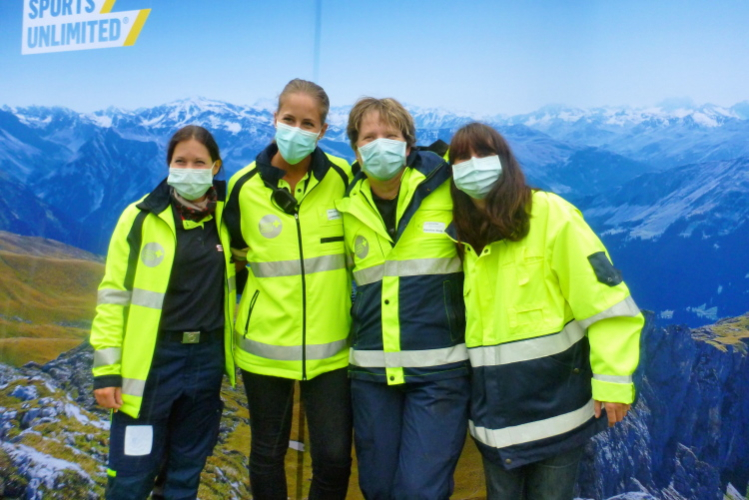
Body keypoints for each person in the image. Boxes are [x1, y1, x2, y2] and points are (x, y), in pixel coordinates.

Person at [447, 122, 643, 500]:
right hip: (495, 424)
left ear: (505, 161)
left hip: (556, 414)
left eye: (483, 153)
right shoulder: (461, 234)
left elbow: (605, 301)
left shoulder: (551, 214)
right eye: (461, 157)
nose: (473, 164)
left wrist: (614, 380)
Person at [90, 125, 237, 499]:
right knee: (132, 475)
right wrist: (106, 370)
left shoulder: (228, 218)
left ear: (216, 167)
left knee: (185, 474)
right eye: (180, 161)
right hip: (152, 363)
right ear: (168, 165)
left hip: (206, 361)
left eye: (199, 162)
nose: (189, 170)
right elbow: (113, 296)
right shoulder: (140, 217)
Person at [224, 79, 353, 500]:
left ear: (323, 130)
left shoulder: (344, 178)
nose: (297, 130)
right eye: (289, 119)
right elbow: (234, 259)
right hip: (264, 347)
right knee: (267, 452)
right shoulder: (243, 187)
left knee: (334, 457)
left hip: (332, 349)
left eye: (308, 123)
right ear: (274, 119)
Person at [336, 97, 470, 500]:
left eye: (390, 135)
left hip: (439, 372)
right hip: (372, 375)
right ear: (356, 150)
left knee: (420, 490)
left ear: (409, 145)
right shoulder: (345, 205)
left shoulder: (450, 188)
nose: (380, 144)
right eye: (368, 137)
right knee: (376, 487)